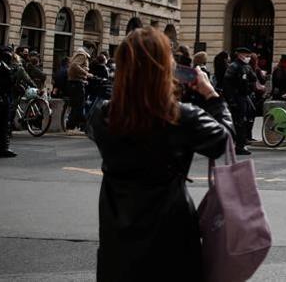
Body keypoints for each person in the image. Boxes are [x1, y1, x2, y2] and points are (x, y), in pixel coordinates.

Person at [87, 27, 233, 280]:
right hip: (171, 237)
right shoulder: (180, 116)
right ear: (165, 68)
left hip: (117, 237)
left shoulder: (103, 115)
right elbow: (223, 140)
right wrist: (210, 94)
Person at [222, 46, 259, 155]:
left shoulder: (246, 66)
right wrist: (231, 100)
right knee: (239, 122)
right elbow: (227, 84)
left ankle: (241, 143)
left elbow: (253, 78)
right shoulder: (233, 66)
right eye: (246, 56)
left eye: (249, 56)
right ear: (240, 55)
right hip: (236, 96)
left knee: (244, 120)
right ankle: (238, 146)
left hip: (244, 96)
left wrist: (248, 81)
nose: (248, 58)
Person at [66, 49, 92, 132]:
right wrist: (86, 74)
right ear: (90, 48)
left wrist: (84, 79)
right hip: (76, 83)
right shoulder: (82, 55)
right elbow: (74, 65)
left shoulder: (79, 54)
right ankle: (79, 125)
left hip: (76, 82)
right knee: (79, 105)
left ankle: (71, 126)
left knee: (76, 105)